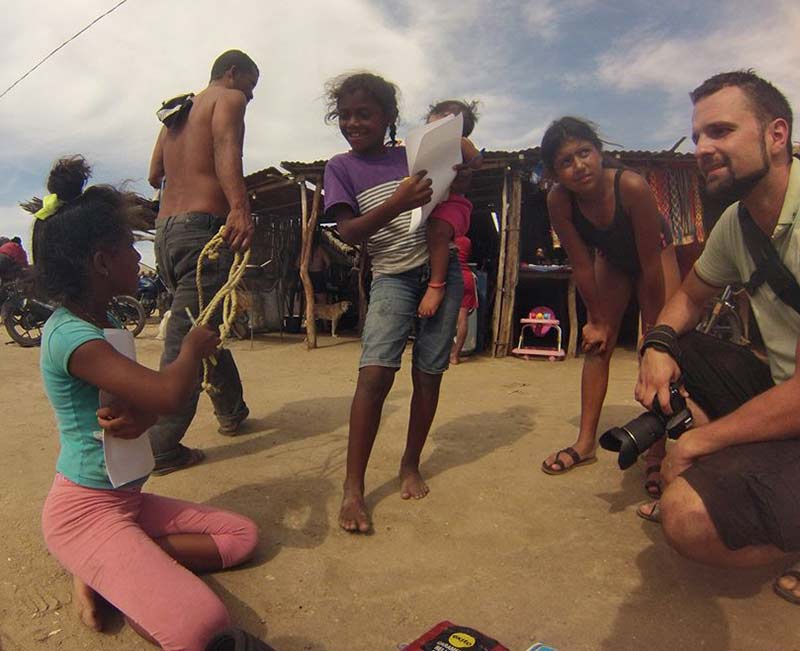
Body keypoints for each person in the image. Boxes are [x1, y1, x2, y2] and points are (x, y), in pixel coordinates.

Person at [27, 157, 261, 651]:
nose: (141, 260)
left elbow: (146, 411)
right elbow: (170, 395)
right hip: (85, 511)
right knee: (203, 626)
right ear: (101, 262)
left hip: (126, 502)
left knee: (240, 537)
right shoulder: (73, 336)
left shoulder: (101, 320)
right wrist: (193, 349)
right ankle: (99, 561)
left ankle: (114, 565)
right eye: (131, 249)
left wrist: (144, 412)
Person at [636, 70, 800, 605]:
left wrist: (699, 442)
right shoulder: (736, 221)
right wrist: (657, 345)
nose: (703, 148)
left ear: (776, 135)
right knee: (678, 342)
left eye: (722, 131)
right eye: (700, 134)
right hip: (784, 390)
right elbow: (687, 297)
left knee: (687, 519)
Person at [323, 72, 464, 533]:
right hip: (392, 277)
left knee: (428, 374)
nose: (352, 123)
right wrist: (399, 202)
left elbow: (468, 158)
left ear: (388, 118)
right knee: (375, 373)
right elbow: (348, 232)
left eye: (364, 113)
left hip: (442, 272)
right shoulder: (340, 167)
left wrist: (450, 135)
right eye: (344, 115)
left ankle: (410, 464)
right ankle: (353, 488)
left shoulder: (411, 155)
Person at [539, 117, 681, 498]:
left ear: (599, 152)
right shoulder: (559, 200)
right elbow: (581, 264)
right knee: (597, 344)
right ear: (555, 172)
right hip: (612, 260)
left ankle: (656, 454)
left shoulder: (630, 186)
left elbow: (650, 266)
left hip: (655, 257)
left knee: (656, 350)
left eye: (584, 153)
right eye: (566, 161)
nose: (579, 165)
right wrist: (597, 321)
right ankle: (585, 443)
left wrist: (653, 328)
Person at [146, 49, 257, 475]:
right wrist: (239, 208)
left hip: (167, 234)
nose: (250, 95)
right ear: (231, 74)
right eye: (250, 85)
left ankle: (232, 411)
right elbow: (229, 150)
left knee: (201, 325)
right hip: (201, 232)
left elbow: (154, 173)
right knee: (185, 341)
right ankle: (160, 446)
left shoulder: (178, 111)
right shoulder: (227, 99)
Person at [418, 100, 482, 317]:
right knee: (429, 232)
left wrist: (468, 165)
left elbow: (478, 160)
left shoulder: (461, 143)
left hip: (453, 204)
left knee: (437, 233)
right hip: (435, 202)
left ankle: (436, 285)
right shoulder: (426, 146)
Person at [450, 235, 478, 365]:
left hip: (452, 277)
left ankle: (449, 351)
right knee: (463, 319)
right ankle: (455, 356)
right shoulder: (467, 241)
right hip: (467, 277)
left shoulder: (447, 237)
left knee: (446, 318)